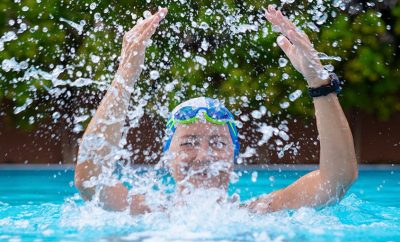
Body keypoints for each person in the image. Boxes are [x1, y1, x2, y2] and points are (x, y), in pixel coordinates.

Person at [74, 5, 358, 215]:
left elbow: (337, 180)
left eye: (218, 143)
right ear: (167, 154)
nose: (203, 156)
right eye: (189, 143)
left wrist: (318, 82)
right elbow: (89, 180)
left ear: (234, 154)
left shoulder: (256, 213)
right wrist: (125, 77)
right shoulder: (146, 212)